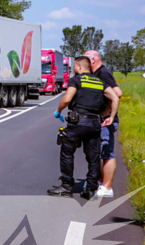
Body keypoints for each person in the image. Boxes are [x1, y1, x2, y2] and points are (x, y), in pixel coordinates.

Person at [48, 55, 119, 199]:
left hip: (77, 122)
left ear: (80, 67)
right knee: (93, 157)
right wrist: (110, 116)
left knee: (67, 153)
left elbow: (67, 99)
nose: (74, 69)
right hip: (94, 124)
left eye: (74, 67)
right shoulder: (100, 82)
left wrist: (58, 110)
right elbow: (115, 97)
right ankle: (91, 189)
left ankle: (66, 186)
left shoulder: (76, 80)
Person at [86, 49, 123, 198]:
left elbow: (117, 93)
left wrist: (107, 113)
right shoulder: (97, 73)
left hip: (106, 120)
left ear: (93, 60)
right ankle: (101, 183)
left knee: (107, 153)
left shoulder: (103, 73)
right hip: (101, 119)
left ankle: (107, 187)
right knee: (100, 151)